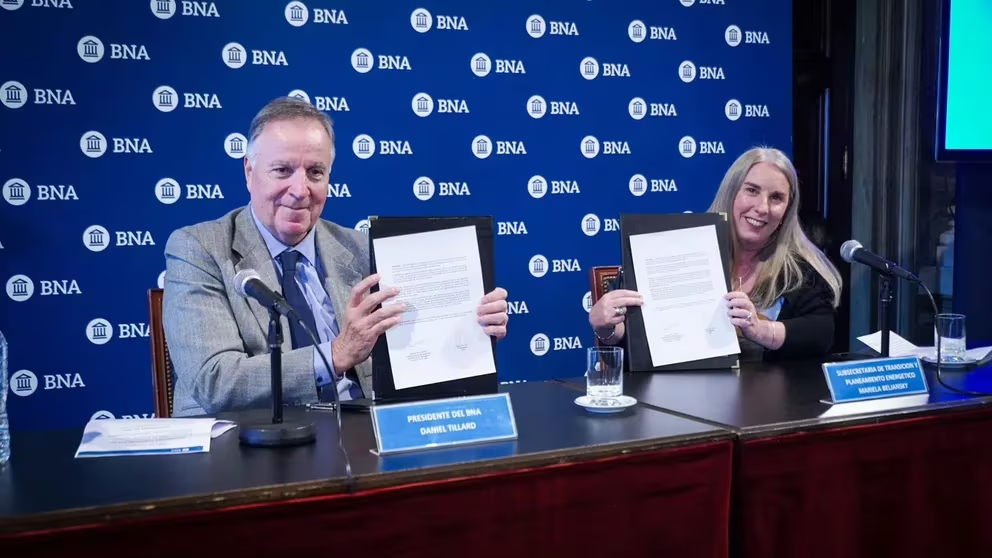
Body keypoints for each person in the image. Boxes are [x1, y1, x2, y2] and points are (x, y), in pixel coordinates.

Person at [162, 97, 510, 417]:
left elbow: (412, 357)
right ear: (249, 173)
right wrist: (335, 354)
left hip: (360, 435)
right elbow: (214, 382)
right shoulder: (200, 249)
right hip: (248, 444)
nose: (300, 191)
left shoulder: (360, 249)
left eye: (315, 172)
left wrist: (466, 328)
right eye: (282, 170)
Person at [589, 146, 843, 361]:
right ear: (731, 193)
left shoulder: (799, 270)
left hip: (768, 410)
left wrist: (759, 329)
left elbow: (821, 334)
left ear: (787, 210)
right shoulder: (671, 251)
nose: (762, 208)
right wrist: (607, 327)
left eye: (776, 198)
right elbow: (631, 341)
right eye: (752, 190)